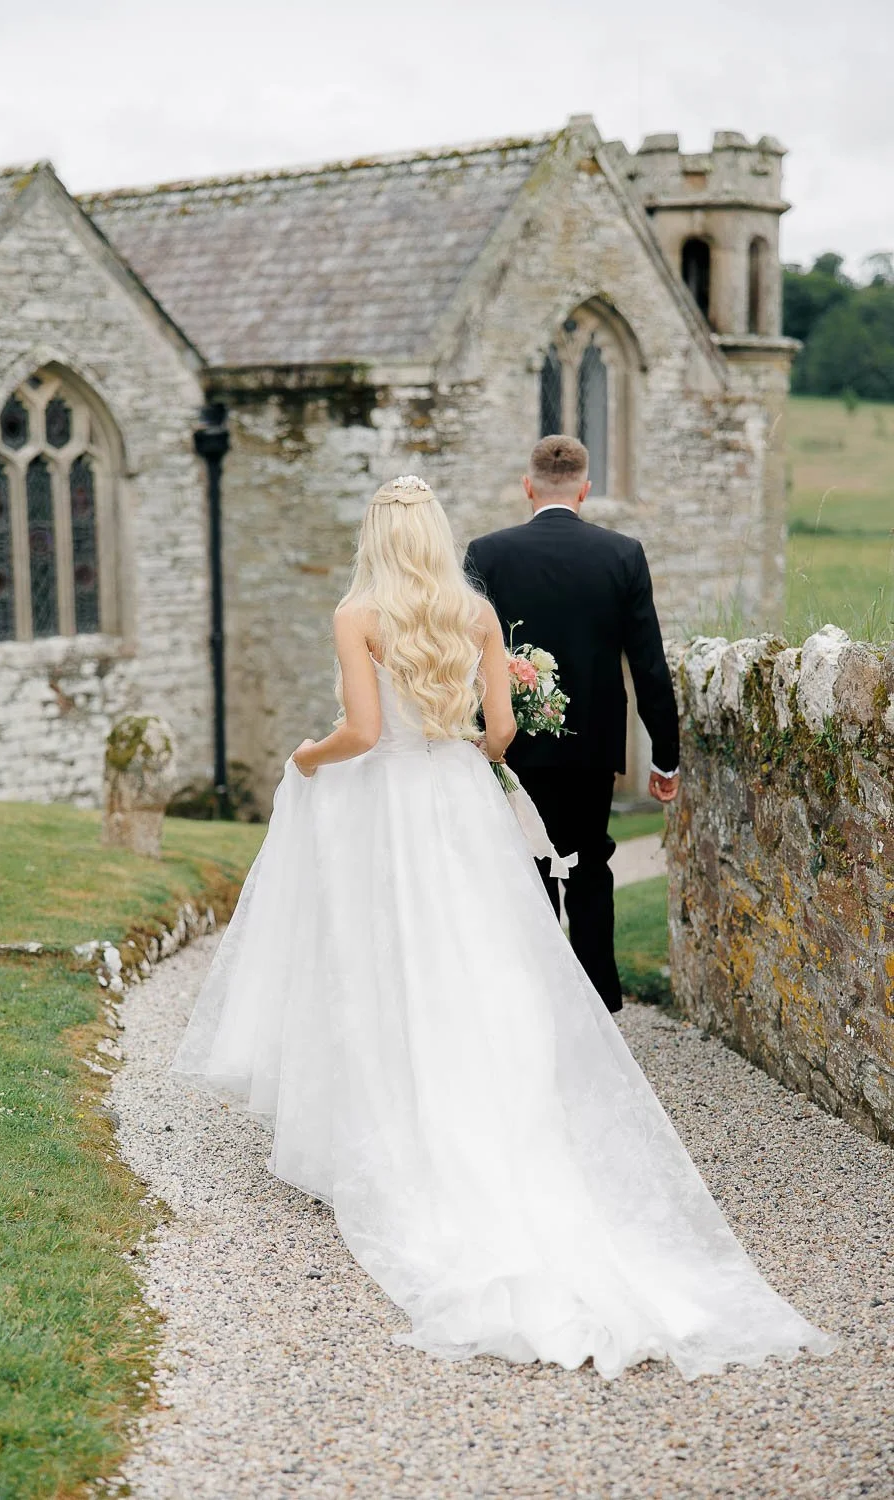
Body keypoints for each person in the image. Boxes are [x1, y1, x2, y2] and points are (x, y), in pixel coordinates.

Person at [171, 475, 832, 1380]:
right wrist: (450, 745)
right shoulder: (473, 613)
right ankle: (498, 1108)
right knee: (480, 956)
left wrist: (305, 756)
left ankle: (388, 1119)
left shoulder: (357, 613)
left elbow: (362, 732)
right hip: (456, 797)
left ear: (376, 533)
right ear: (436, 533)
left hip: (389, 802)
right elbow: (499, 733)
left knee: (383, 956)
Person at [465, 434, 680, 1012]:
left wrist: (467, 734)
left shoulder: (486, 554)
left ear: (527, 486)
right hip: (591, 749)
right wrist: (666, 757)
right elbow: (650, 667)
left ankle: (525, 1001)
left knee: (523, 863)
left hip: (507, 747)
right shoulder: (623, 555)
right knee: (588, 862)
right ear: (586, 489)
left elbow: (462, 659)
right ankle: (597, 1006)